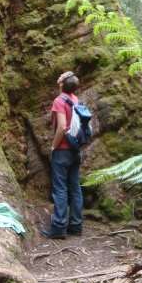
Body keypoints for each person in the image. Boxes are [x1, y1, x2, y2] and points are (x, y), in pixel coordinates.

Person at [41, 71, 83, 239]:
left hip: (63, 150)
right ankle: (76, 225)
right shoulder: (75, 99)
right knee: (75, 187)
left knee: (60, 188)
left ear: (61, 84)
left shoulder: (59, 101)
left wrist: (53, 147)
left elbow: (62, 127)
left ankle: (58, 227)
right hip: (75, 150)